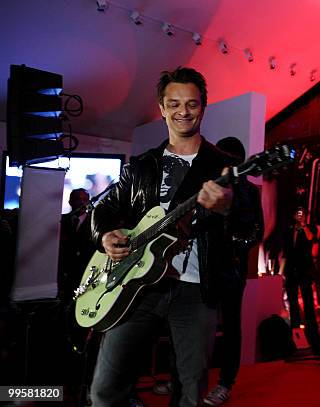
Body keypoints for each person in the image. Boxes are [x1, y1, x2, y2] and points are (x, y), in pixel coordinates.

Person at [89, 66, 256, 407]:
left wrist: (226, 211)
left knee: (190, 394)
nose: (183, 111)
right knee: (104, 390)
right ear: (162, 108)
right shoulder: (141, 166)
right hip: (136, 287)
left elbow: (251, 232)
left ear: (203, 108)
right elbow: (104, 212)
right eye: (174, 103)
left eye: (192, 103)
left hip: (195, 290)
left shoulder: (225, 169)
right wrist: (104, 235)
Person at [201, 136, 263, 406]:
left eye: (231, 157)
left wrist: (239, 248)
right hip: (204, 266)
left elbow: (257, 230)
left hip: (232, 269)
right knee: (194, 324)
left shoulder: (250, 191)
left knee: (231, 327)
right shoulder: (210, 187)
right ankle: (183, 376)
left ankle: (226, 382)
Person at [280, 207, 320, 353]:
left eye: (302, 214)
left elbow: (311, 238)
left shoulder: (310, 228)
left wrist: (304, 225)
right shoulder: (289, 230)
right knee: (293, 303)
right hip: (291, 271)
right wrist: (281, 272)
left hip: (304, 270)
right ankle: (296, 335)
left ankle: (313, 335)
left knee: (308, 302)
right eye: (298, 213)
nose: (300, 216)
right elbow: (285, 253)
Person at [58, 188, 96, 303]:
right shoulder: (62, 220)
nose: (82, 203)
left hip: (84, 272)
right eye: (78, 199)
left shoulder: (94, 222)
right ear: (70, 202)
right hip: (63, 272)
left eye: (85, 200)